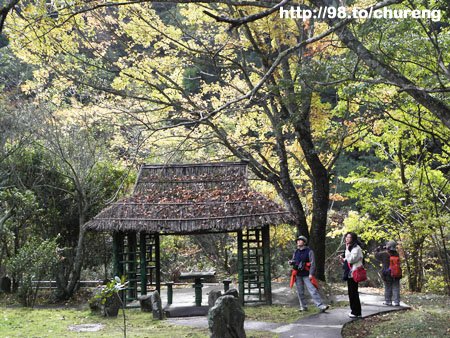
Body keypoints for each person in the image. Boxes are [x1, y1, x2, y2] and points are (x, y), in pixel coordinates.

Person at [289, 235, 329, 312]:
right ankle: (303, 307)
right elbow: (294, 261)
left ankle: (321, 306)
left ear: (304, 242)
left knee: (313, 290)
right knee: (300, 291)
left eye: (300, 240)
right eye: (298, 240)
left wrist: (311, 273)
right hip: (298, 274)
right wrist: (291, 262)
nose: (298, 241)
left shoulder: (309, 251)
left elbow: (313, 263)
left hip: (307, 274)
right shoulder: (296, 252)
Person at [339, 232, 363, 318]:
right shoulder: (350, 247)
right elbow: (348, 260)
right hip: (350, 272)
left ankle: (356, 312)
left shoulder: (356, 248)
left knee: (353, 292)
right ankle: (355, 311)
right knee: (351, 292)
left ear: (353, 239)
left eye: (349, 237)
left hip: (354, 273)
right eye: (346, 237)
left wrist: (346, 251)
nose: (347, 239)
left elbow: (352, 259)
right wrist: (343, 260)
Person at [375, 240, 401, 306]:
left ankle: (388, 301)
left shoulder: (384, 254)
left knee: (388, 287)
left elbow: (376, 256)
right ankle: (396, 302)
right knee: (396, 287)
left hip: (387, 273)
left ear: (388, 247)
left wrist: (377, 250)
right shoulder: (396, 254)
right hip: (396, 273)